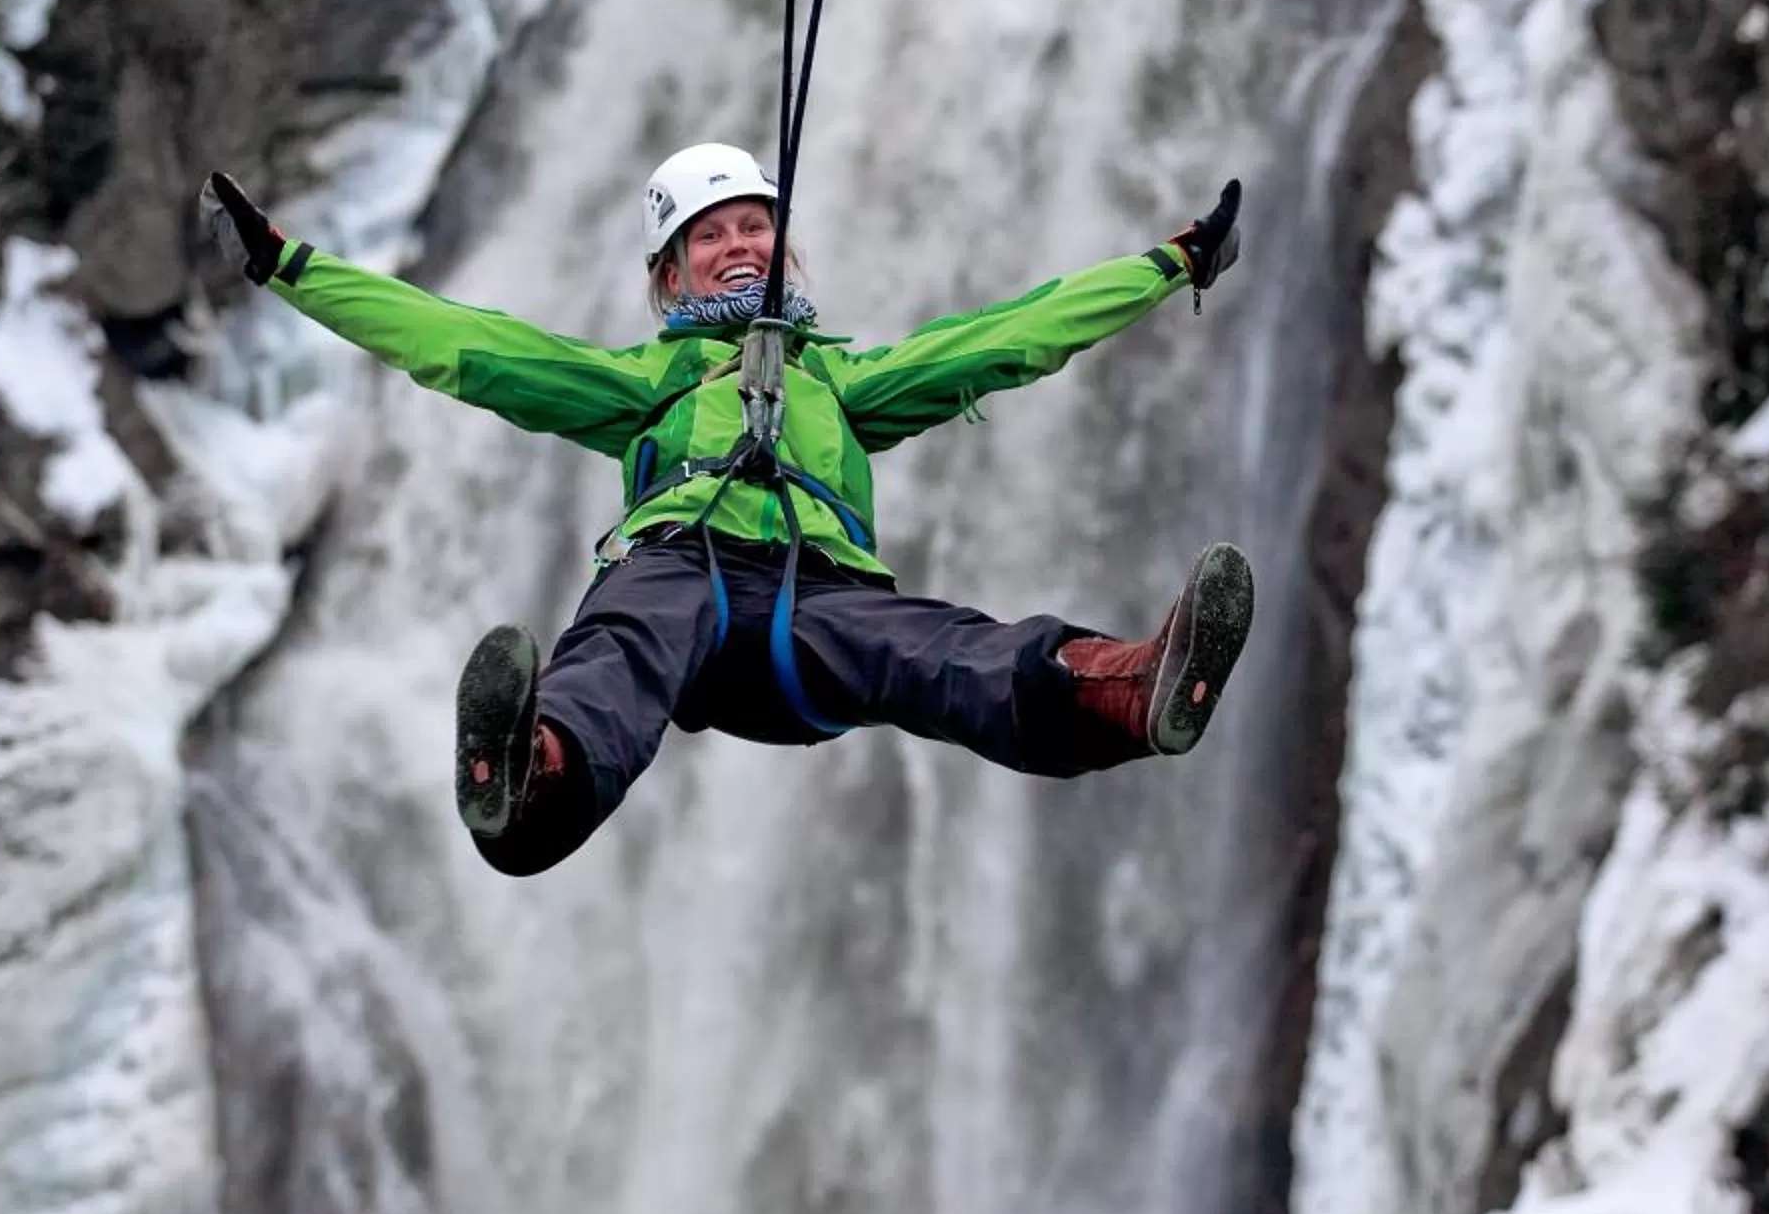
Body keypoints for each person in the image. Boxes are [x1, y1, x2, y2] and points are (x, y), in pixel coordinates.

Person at [202, 145, 1256, 877]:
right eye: (710, 235)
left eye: (757, 225)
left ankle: (1126, 691)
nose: (740, 242)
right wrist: (291, 266)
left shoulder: (843, 380)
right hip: (685, 575)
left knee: (935, 646)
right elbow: (462, 343)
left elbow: (1011, 336)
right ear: (670, 276)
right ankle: (530, 778)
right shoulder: (645, 382)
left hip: (817, 602)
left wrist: (1166, 266)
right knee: (627, 631)